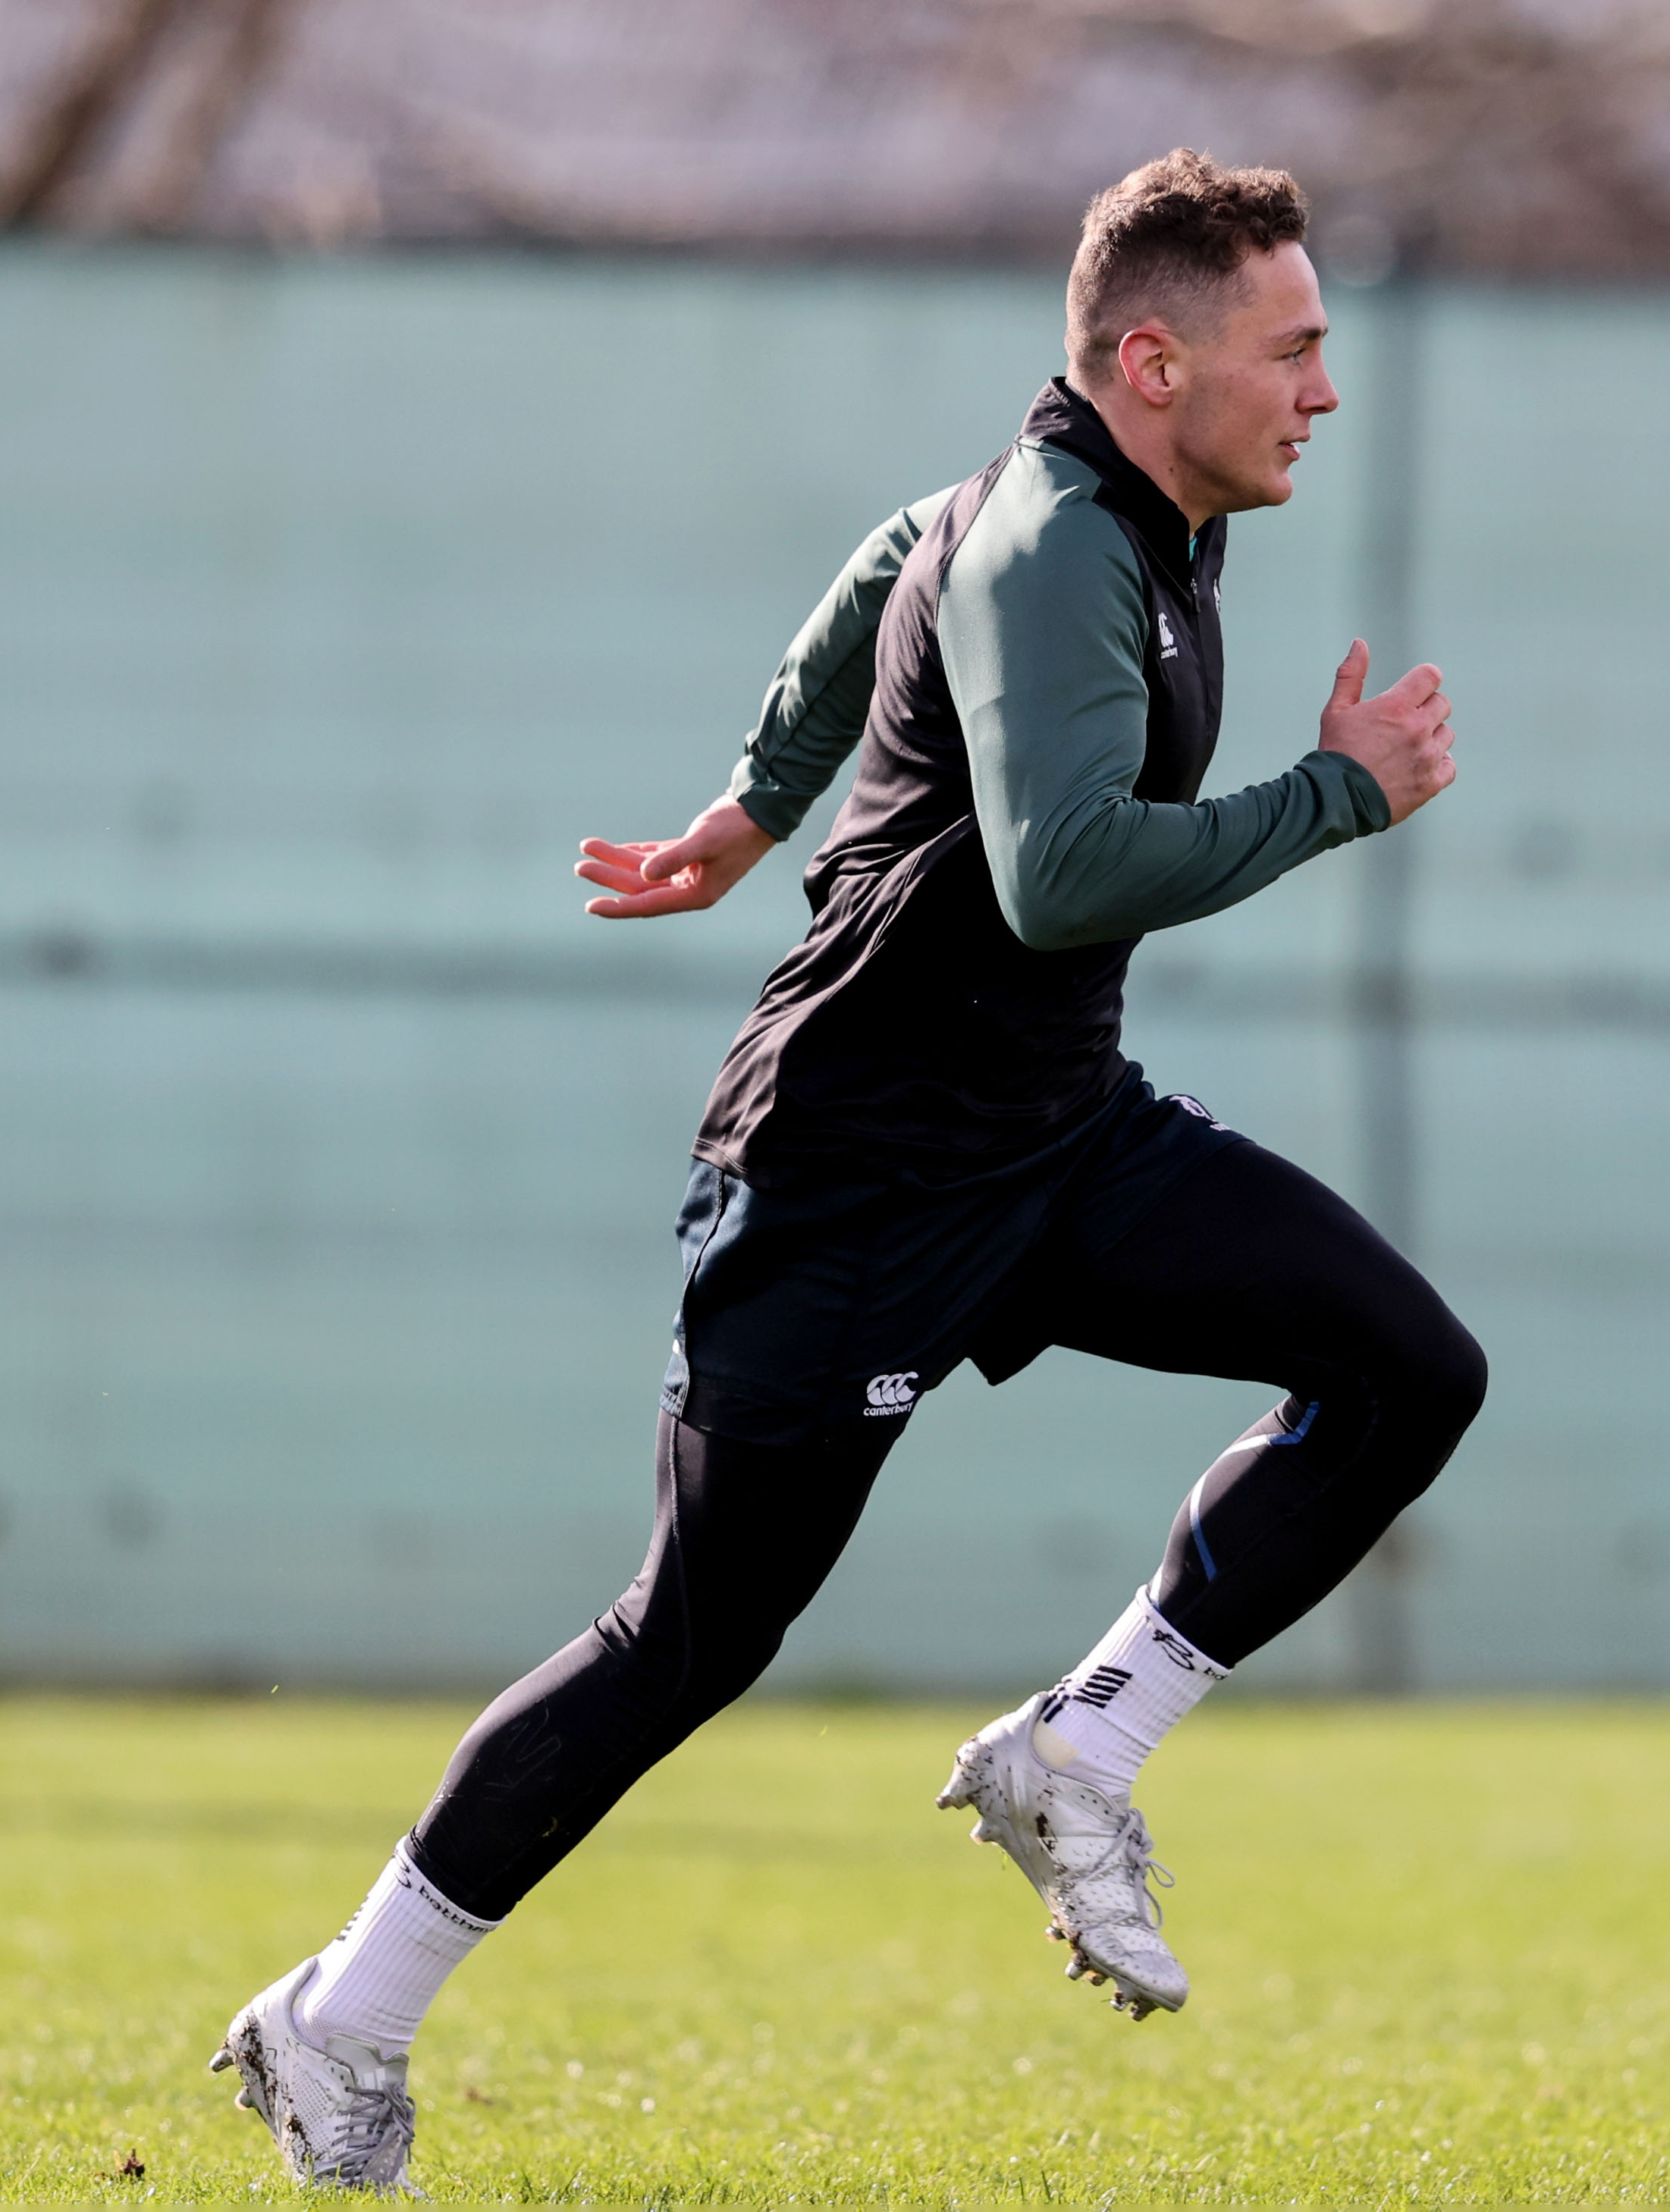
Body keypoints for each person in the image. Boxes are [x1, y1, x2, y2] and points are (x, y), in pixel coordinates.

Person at [209, 148, 1484, 2192]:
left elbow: (893, 552)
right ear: (1154, 364)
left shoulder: (1127, 515)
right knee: (688, 1642)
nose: (1325, 390)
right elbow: (1065, 875)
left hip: (1056, 1139)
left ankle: (1080, 1750)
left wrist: (750, 807)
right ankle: (336, 2021)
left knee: (1408, 1370)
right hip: (855, 1183)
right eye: (1294, 349)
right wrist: (1338, 796)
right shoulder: (1060, 542)